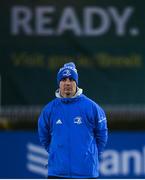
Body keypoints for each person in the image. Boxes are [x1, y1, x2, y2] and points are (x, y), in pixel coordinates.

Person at [38, 62, 108, 179]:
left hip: (86, 173)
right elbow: (44, 137)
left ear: (76, 83)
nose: (67, 83)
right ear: (59, 83)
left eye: (71, 79)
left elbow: (102, 135)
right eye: (64, 79)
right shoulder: (49, 110)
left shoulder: (92, 107)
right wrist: (57, 154)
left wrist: (90, 155)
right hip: (57, 173)